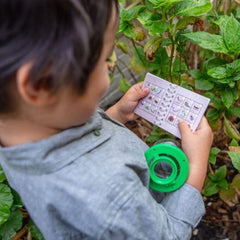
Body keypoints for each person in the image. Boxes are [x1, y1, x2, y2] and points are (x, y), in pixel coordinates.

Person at [0, 0, 213, 239]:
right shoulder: (109, 196)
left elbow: (77, 134)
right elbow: (167, 235)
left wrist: (116, 115)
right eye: (103, 60)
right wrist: (196, 167)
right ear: (41, 85)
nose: (110, 69)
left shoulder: (17, 128)